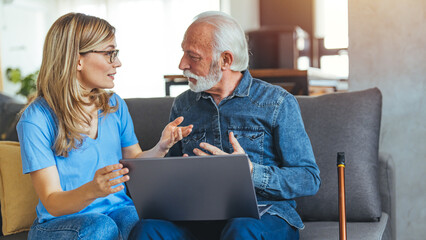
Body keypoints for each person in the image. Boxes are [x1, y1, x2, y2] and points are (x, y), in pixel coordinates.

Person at [130, 11, 321, 240]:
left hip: (264, 215)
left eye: (193, 56)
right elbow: (170, 180)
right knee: (147, 229)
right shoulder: (183, 105)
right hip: (199, 217)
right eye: (183, 53)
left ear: (225, 60)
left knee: (241, 229)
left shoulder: (277, 102)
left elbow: (309, 178)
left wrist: (250, 171)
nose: (182, 64)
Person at [17, 13, 192, 240]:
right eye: (110, 54)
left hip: (115, 210)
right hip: (59, 223)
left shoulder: (114, 105)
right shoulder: (36, 119)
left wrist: (161, 147)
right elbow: (52, 202)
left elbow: (133, 161)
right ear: (77, 60)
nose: (117, 63)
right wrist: (93, 189)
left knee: (143, 222)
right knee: (101, 227)